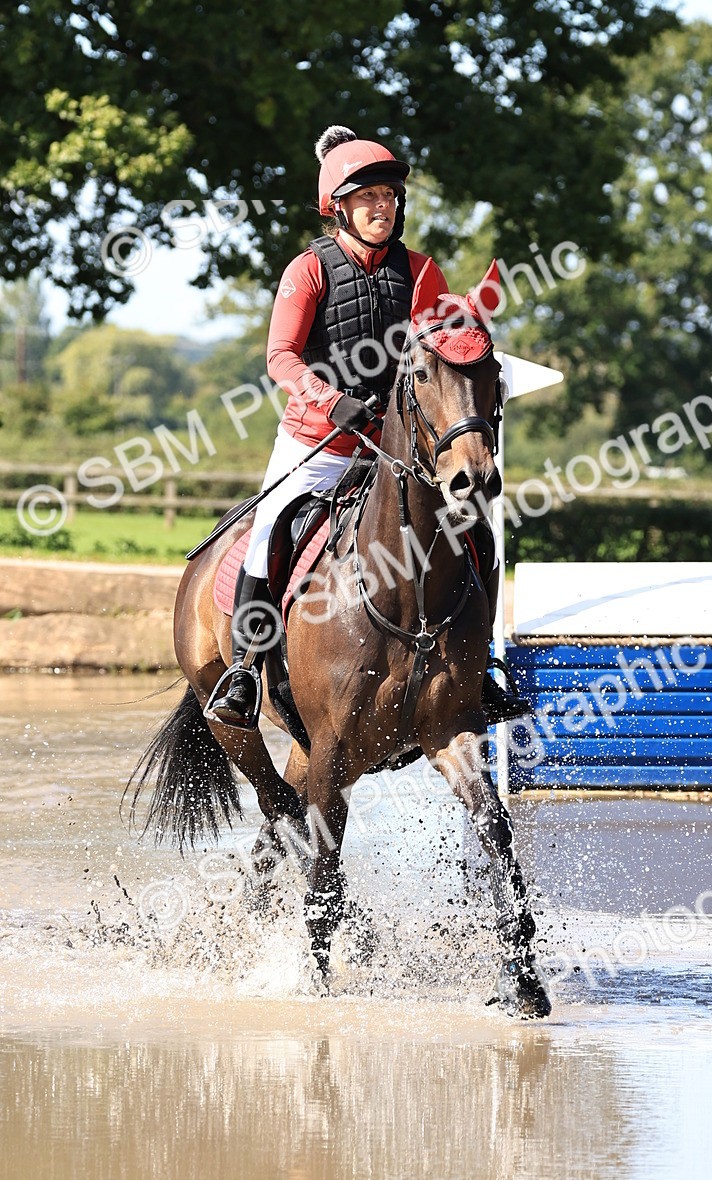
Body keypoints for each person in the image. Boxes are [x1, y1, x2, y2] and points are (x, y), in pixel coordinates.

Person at [209, 125, 528, 729]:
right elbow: (281, 357)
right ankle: (245, 672)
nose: (384, 208)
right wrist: (332, 402)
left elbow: (444, 345)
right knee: (269, 532)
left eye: (390, 197)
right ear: (339, 208)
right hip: (317, 441)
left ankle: (478, 668)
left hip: (396, 449)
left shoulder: (421, 271)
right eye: (369, 198)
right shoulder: (309, 271)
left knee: (473, 528)